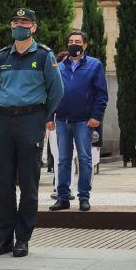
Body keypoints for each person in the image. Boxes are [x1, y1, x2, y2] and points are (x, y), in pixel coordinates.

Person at [0, 8, 64, 258]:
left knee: (28, 183)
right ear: (11, 26)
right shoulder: (1, 57)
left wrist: (41, 116)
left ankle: (22, 239)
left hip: (31, 120)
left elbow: (57, 91)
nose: (19, 25)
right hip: (4, 121)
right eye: (16, 21)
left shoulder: (44, 56)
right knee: (3, 184)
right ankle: (3, 239)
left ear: (34, 27)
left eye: (25, 21)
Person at [49, 30, 108, 212]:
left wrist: (96, 116)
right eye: (71, 41)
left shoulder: (94, 65)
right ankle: (63, 197)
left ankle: (84, 197)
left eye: (77, 41)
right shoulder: (59, 67)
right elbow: (51, 93)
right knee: (63, 160)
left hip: (84, 121)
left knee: (84, 159)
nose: (73, 44)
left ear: (85, 45)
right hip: (62, 121)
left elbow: (101, 94)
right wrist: (49, 117)